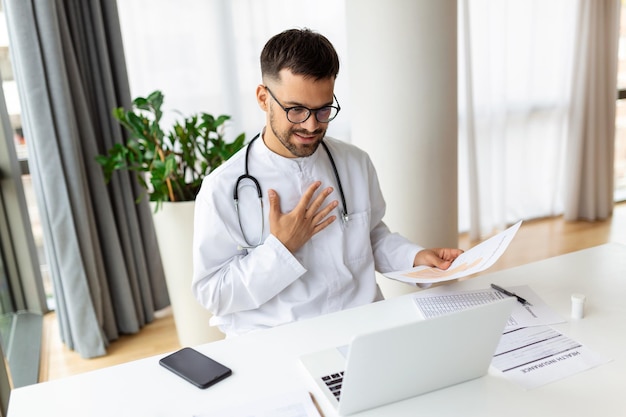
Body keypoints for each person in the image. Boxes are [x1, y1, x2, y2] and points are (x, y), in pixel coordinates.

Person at [192, 28, 463, 337]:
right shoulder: (222, 188)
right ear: (264, 98)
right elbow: (213, 292)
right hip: (280, 341)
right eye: (296, 110)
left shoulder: (354, 162)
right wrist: (281, 248)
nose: (311, 125)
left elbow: (371, 237)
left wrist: (415, 257)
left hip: (365, 331)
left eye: (323, 109)